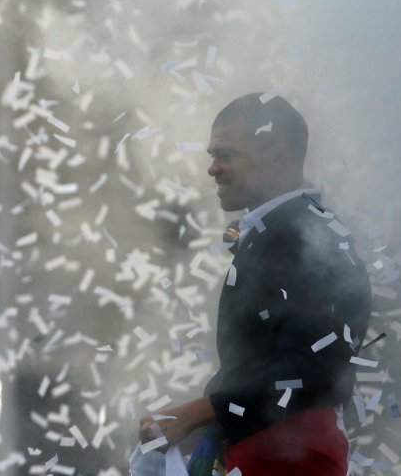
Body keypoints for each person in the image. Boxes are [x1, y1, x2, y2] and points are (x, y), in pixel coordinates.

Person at [139, 94, 372, 475]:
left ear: (278, 156)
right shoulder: (284, 231)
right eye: (212, 155)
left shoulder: (308, 236)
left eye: (226, 154)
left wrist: (197, 413)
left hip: (292, 460)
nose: (213, 169)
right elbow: (255, 365)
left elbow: (317, 368)